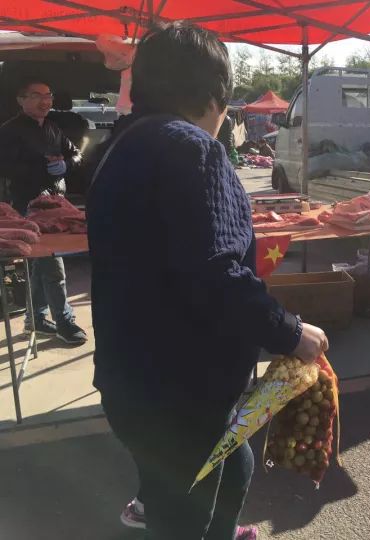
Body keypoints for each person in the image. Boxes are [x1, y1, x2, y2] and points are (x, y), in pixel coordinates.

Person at [87, 22, 328, 539]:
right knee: (184, 516)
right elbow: (217, 274)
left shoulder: (119, 145)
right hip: (179, 391)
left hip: (131, 378)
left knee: (230, 465)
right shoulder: (194, 149)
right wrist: (289, 332)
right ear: (215, 95)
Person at [0, 80, 88, 344]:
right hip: (27, 205)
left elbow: (76, 154)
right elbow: (5, 167)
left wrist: (66, 165)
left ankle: (36, 319)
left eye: (48, 95)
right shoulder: (9, 131)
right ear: (21, 100)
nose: (45, 101)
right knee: (52, 266)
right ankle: (64, 321)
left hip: (55, 202)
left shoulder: (52, 127)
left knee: (41, 264)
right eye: (37, 95)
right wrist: (42, 168)